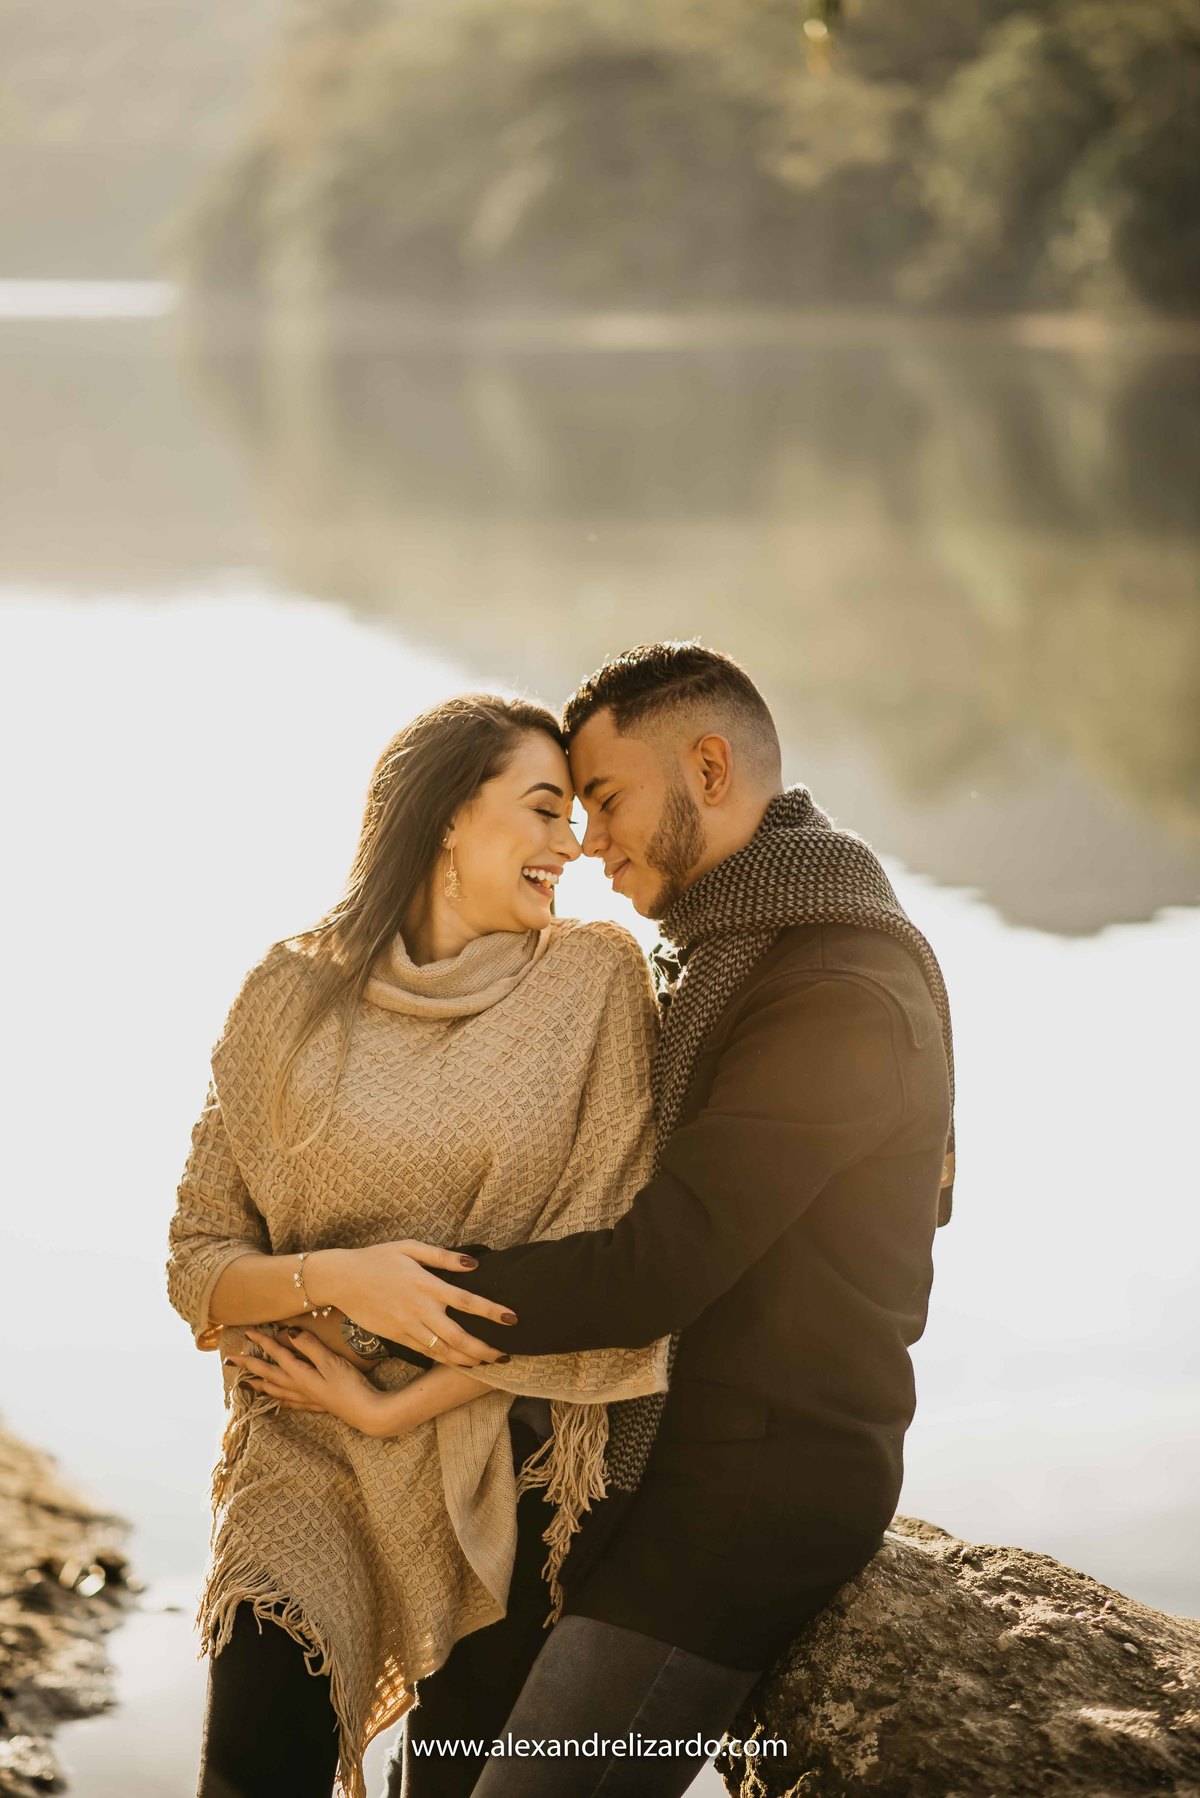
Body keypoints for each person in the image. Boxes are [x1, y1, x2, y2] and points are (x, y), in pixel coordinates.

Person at [368, 642, 956, 1798]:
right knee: (433, 1769)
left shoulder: (837, 993)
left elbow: (659, 1267)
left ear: (708, 766)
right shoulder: (722, 956)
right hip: (631, 1438)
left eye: (603, 797)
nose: (585, 839)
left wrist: (398, 1302)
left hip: (753, 1487)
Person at [165, 692, 670, 1798]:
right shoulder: (288, 994)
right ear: (448, 814)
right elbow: (200, 1262)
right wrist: (340, 1278)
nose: (572, 843)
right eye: (543, 809)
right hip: (301, 1452)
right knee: (250, 1772)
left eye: (576, 814)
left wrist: (389, 1402)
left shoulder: (591, 982)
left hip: (498, 1455)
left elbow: (603, 1271)